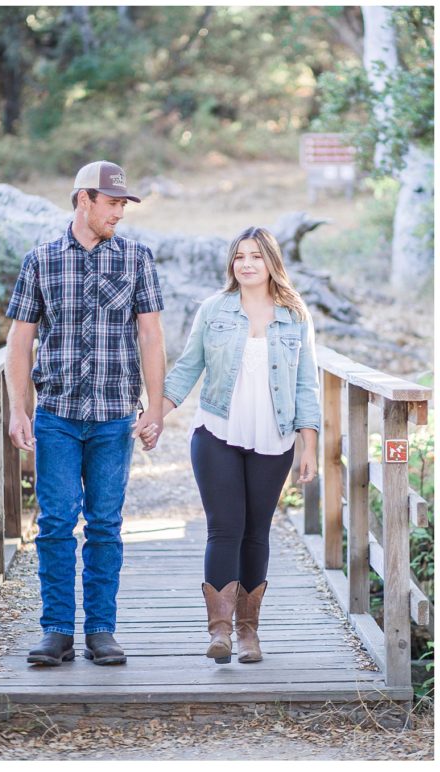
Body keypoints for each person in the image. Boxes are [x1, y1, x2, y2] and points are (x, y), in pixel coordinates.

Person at [5, 160, 166, 667]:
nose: (119, 212)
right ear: (84, 200)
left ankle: (100, 630)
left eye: (123, 204)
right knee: (54, 523)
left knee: (104, 525)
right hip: (57, 413)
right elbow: (20, 340)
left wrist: (156, 408)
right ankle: (56, 630)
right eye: (112, 202)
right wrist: (17, 411)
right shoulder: (42, 260)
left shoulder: (137, 259)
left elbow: (151, 335)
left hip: (114, 414)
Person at [154, 226, 320, 664]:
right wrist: (156, 414)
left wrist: (310, 445)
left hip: (275, 437)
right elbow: (188, 367)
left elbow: (307, 384)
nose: (246, 264)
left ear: (271, 263)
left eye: (256, 256)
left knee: (255, 532)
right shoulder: (214, 310)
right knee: (224, 528)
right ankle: (220, 633)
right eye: (239, 256)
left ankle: (249, 634)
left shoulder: (295, 315)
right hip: (217, 434)